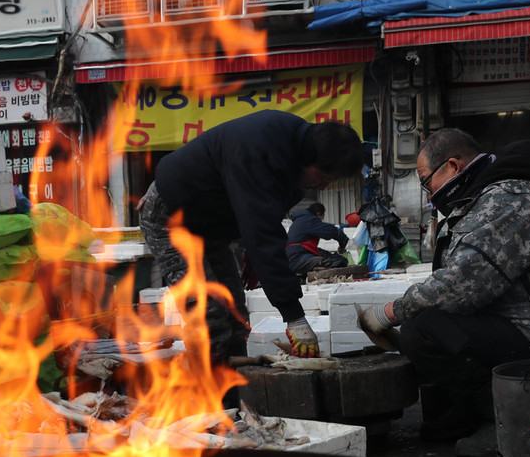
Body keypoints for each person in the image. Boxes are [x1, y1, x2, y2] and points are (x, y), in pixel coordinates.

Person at [358, 128, 530, 457]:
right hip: (524, 326)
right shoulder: (484, 200)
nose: (430, 195)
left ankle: (511, 420)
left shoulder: (511, 200)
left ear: (453, 167)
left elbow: (463, 284)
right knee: (437, 323)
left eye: (427, 182)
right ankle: (472, 411)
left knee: (422, 331)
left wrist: (390, 312)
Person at [139, 110, 364, 364]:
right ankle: (213, 399)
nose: (322, 187)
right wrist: (294, 316)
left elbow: (261, 214)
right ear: (309, 159)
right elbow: (263, 231)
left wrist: (251, 249)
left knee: (235, 312)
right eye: (324, 178)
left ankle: (237, 393)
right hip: (170, 217)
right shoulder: (259, 150)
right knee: (208, 316)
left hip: (208, 222)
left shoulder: (294, 152)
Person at [286, 202, 350, 275]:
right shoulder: (310, 220)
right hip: (297, 258)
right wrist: (343, 238)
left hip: (295, 254)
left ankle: (314, 267)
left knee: (327, 254)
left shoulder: (301, 220)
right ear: (319, 214)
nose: (320, 222)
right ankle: (316, 268)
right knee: (339, 261)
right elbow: (331, 231)